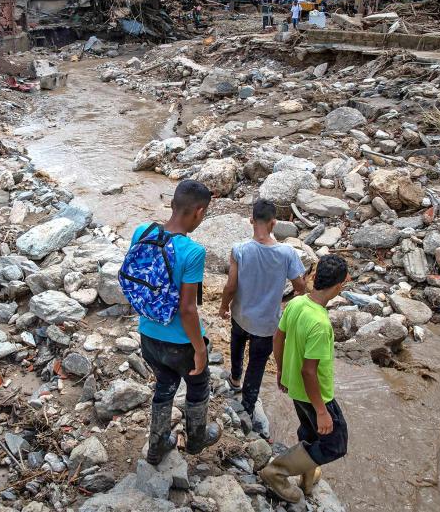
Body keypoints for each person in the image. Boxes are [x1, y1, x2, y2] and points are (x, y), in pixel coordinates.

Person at [124, 180, 221, 465]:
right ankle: (196, 440)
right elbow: (188, 309)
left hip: (148, 335)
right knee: (198, 385)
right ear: (199, 212)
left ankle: (156, 446)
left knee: (164, 385)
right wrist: (200, 349)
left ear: (172, 204)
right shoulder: (193, 252)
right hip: (181, 342)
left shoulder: (143, 232)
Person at [260, 254, 350, 503]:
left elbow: (278, 338)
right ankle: (277, 472)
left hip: (295, 388)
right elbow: (309, 371)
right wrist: (322, 410)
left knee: (311, 433)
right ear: (339, 286)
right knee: (335, 443)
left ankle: (307, 480)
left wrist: (280, 370)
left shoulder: (297, 303)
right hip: (316, 394)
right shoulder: (320, 324)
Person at [219, 199, 305, 429]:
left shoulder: (239, 249)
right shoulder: (287, 253)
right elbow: (300, 286)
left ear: (251, 221)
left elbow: (230, 286)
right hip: (267, 324)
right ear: (274, 223)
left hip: (240, 315)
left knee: (236, 345)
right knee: (257, 364)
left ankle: (235, 379)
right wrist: (289, 310)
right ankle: (247, 407)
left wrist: (223, 306)